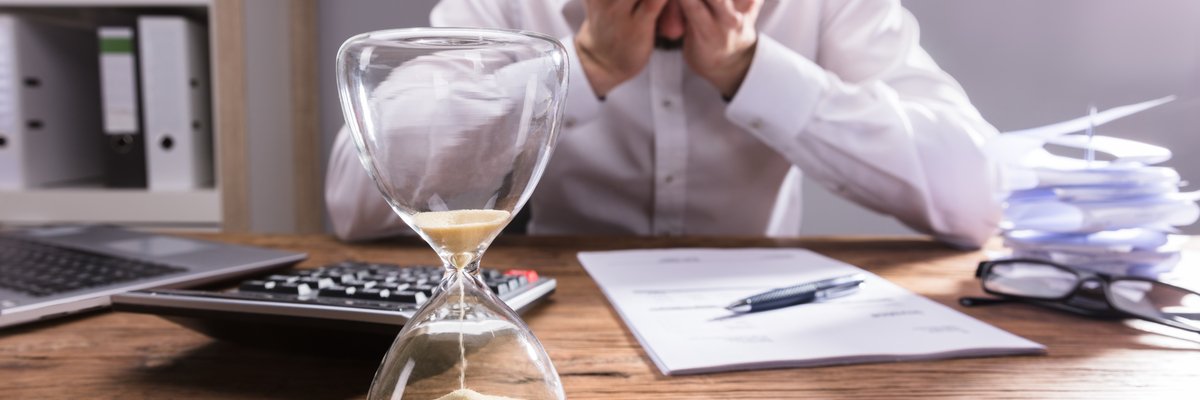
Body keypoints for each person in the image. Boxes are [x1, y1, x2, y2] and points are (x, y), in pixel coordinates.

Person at [326, 0, 1002, 248]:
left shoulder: (828, 7)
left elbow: (977, 197)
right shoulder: (507, 7)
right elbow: (355, 195)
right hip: (565, 323)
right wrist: (579, 68)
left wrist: (753, 70)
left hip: (772, 335)